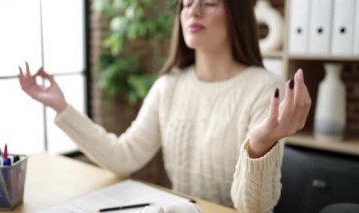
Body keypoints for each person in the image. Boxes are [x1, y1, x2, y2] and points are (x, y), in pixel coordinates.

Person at [18, 0, 311, 212]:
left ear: (236, 13)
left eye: (208, 2)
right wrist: (62, 108)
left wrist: (260, 144)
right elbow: (124, 156)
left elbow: (252, 208)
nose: (193, 10)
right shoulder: (168, 86)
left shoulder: (264, 89)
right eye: (185, 3)